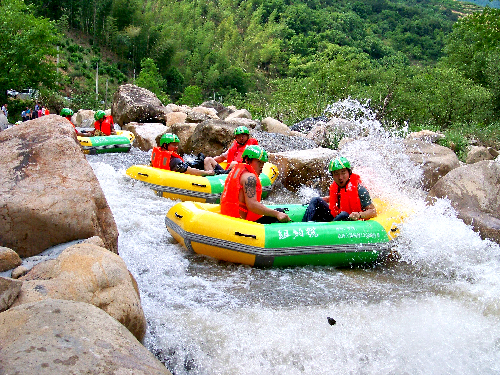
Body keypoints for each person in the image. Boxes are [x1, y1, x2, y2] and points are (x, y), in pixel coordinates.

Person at [220, 145, 290, 224]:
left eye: (263, 164)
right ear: (247, 160)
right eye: (258, 162)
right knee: (280, 211)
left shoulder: (235, 171)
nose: (261, 166)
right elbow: (252, 205)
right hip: (241, 223)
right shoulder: (250, 177)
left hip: (228, 218)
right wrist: (277, 214)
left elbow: (222, 197)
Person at [302, 157, 377, 222]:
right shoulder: (337, 187)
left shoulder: (360, 189)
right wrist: (325, 199)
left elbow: (373, 211)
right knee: (315, 200)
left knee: (344, 214)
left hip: (352, 221)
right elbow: (341, 196)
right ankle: (305, 227)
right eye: (336, 174)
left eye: (343, 173)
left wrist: (359, 215)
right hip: (338, 218)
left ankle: (327, 231)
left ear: (349, 172)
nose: (340, 177)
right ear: (333, 176)